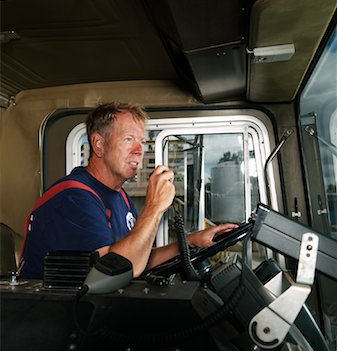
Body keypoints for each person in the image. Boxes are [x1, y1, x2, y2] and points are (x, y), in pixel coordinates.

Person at [20, 102, 238, 278]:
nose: (139, 150)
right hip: (55, 318)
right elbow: (117, 269)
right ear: (98, 145)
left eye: (141, 142)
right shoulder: (73, 198)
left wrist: (190, 241)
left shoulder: (120, 196)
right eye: (128, 139)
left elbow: (137, 257)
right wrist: (153, 208)